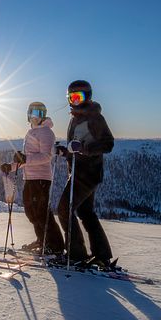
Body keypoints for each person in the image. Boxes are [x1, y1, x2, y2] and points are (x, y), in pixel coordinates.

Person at [56, 80, 115, 267]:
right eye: (71, 97)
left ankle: (76, 254)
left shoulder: (94, 117)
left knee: (64, 209)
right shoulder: (76, 118)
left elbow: (108, 144)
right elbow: (76, 147)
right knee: (86, 212)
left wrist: (84, 148)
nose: (74, 101)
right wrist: (65, 152)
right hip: (80, 171)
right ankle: (101, 254)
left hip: (87, 174)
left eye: (78, 97)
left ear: (87, 97)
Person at [0, 102, 65, 255]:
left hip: (41, 178)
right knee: (31, 212)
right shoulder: (32, 132)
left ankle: (55, 246)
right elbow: (26, 159)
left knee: (42, 213)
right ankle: (42, 240)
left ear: (44, 116)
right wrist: (12, 166)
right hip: (29, 178)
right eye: (34, 113)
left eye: (40, 113)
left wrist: (25, 158)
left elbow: (46, 156)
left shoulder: (46, 132)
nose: (36, 117)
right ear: (28, 115)